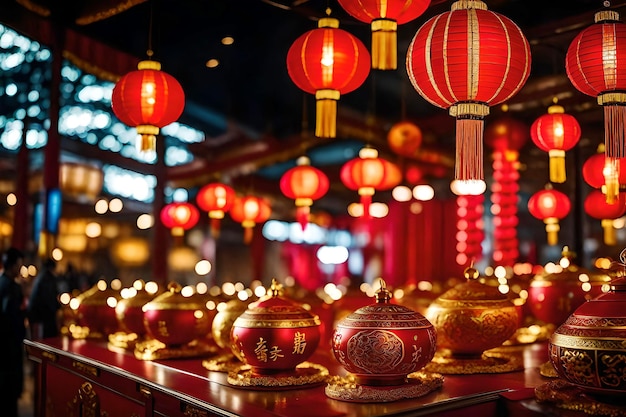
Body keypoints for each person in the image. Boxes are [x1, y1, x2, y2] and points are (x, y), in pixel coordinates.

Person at [0, 247, 26, 417]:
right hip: (10, 347)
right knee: (9, 395)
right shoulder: (12, 288)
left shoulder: (1, 283)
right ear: (13, 265)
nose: (20, 269)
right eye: (19, 265)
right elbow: (12, 316)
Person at [28, 257, 61, 339]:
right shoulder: (47, 279)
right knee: (46, 339)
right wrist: (57, 308)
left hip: (37, 315)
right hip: (43, 316)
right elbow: (49, 299)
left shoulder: (40, 277)